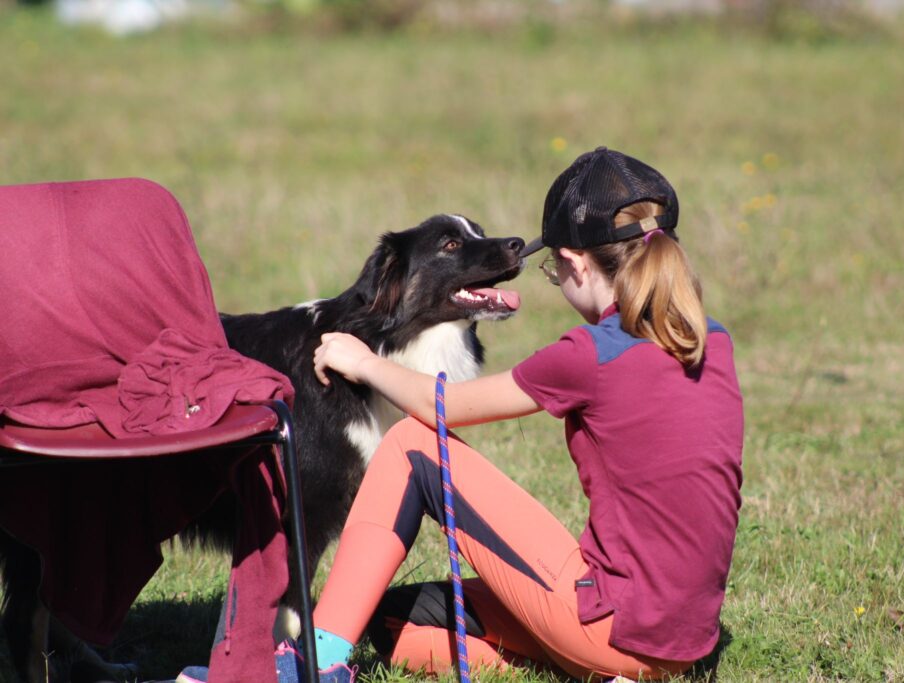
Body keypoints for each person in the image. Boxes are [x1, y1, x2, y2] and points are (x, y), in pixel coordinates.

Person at [297, 147, 743, 681]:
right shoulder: (713, 339)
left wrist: (362, 361)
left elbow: (440, 408)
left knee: (412, 445)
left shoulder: (591, 351)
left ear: (576, 264)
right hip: (686, 642)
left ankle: (311, 665)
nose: (558, 280)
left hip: (613, 625)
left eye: (555, 271)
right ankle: (599, 671)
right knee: (394, 623)